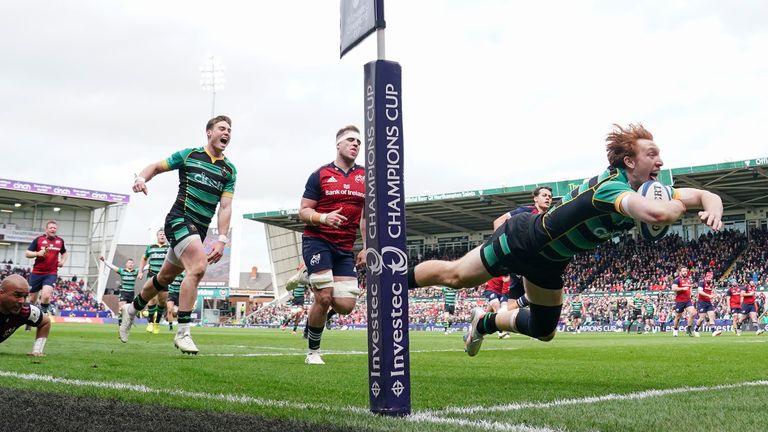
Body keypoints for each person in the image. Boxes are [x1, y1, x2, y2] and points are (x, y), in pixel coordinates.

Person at [407, 123, 723, 356]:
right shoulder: (610, 187)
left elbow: (706, 194)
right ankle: (395, 280)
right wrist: (678, 205)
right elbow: (657, 215)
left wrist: (713, 211)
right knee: (455, 276)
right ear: (629, 161)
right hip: (523, 239)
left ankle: (484, 323)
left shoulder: (644, 190)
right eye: (652, 154)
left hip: (551, 261)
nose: (661, 162)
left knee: (543, 330)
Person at [120, 115, 236, 354]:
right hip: (179, 220)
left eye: (230, 130)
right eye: (222, 129)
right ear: (209, 132)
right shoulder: (189, 155)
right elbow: (154, 167)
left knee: (163, 279)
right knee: (199, 267)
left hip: (198, 231)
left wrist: (222, 239)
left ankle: (131, 309)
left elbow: (225, 207)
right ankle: (183, 332)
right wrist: (141, 178)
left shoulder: (229, 170)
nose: (227, 133)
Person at [287, 125, 366, 365]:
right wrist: (324, 217)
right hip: (317, 240)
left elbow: (365, 217)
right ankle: (313, 352)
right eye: (351, 140)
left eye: (359, 142)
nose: (355, 145)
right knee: (323, 296)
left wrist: (367, 246)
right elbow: (304, 210)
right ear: (338, 145)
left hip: (344, 248)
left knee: (345, 306)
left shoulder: (366, 176)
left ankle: (308, 276)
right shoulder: (320, 175)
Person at [493, 186, 553, 311]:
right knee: (538, 297)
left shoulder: (549, 218)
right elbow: (498, 221)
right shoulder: (525, 211)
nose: (548, 198)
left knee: (509, 310)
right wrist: (501, 249)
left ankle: (482, 321)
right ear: (536, 198)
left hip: (530, 264)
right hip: (522, 262)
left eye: (550, 196)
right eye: (544, 195)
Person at [0, 275, 51, 356]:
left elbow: (45, 322)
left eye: (25, 296)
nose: (22, 301)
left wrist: (37, 350)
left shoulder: (25, 311)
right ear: (1, 293)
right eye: (17, 295)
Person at [24, 220, 67, 317]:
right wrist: (37, 253)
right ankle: (30, 319)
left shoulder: (60, 241)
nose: (53, 229)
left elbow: (64, 252)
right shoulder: (39, 240)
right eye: (51, 228)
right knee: (32, 299)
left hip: (51, 273)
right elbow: (27, 253)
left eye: (54, 228)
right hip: (37, 273)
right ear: (46, 229)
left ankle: (43, 316)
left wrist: (62, 262)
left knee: (46, 295)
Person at [138, 229, 170, 334]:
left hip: (164, 276)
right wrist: (140, 271)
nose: (162, 236)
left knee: (161, 301)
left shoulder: (169, 248)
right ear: (157, 236)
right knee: (152, 299)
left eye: (164, 234)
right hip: (152, 275)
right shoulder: (150, 247)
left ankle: (157, 322)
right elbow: (144, 258)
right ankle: (150, 323)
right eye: (160, 234)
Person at [99, 256, 138, 327]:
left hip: (131, 293)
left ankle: (127, 324)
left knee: (129, 311)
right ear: (126, 264)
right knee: (122, 309)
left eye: (132, 263)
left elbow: (144, 268)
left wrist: (151, 263)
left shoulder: (135, 272)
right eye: (129, 263)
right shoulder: (122, 271)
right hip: (124, 292)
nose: (130, 264)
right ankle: (120, 325)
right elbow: (112, 267)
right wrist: (104, 260)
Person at [671, 266, 698, 337]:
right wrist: (683, 288)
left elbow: (690, 288)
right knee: (678, 317)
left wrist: (691, 294)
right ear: (680, 272)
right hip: (680, 301)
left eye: (686, 271)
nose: (685, 272)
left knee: (693, 313)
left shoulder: (689, 280)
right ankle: (675, 329)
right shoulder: (677, 280)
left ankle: (688, 329)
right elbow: (673, 288)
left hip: (688, 301)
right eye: (683, 271)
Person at [694, 271, 722, 337]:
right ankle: (696, 330)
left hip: (708, 302)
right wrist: (709, 296)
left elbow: (712, 291)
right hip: (701, 302)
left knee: (711, 316)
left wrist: (713, 296)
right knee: (701, 318)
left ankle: (713, 331)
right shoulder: (702, 282)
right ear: (706, 277)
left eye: (711, 277)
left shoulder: (711, 283)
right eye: (708, 277)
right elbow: (700, 291)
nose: (710, 278)